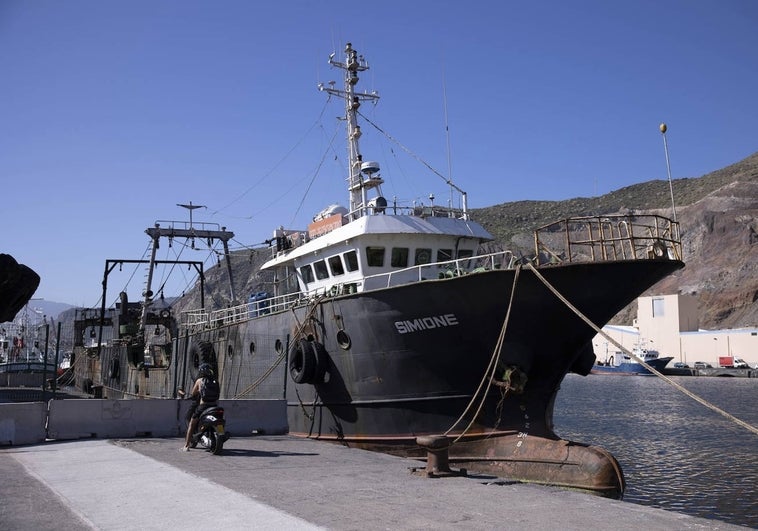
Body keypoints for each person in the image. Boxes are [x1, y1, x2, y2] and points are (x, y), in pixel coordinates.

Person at [181, 363, 219, 451]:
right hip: (214, 406)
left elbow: (193, 393)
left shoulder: (199, 381)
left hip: (203, 406)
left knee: (191, 423)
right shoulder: (215, 381)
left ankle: (186, 446)